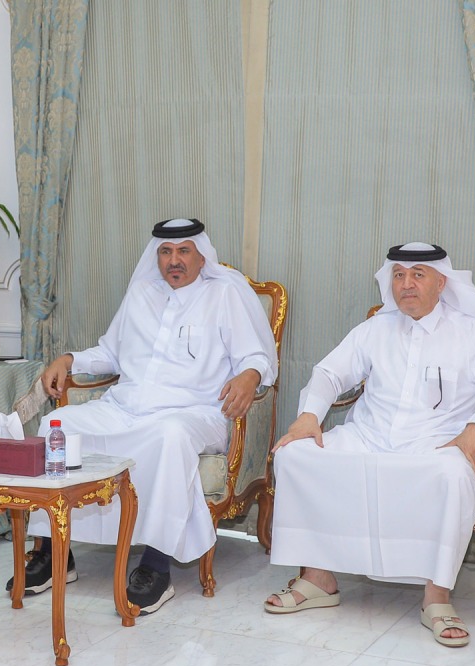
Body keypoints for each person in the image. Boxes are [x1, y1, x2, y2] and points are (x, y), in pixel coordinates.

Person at [264, 243, 475, 647]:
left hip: (434, 447)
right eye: (399, 275)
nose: (406, 284)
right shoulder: (376, 328)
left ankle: (436, 597)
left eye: (418, 275)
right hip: (369, 437)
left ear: (441, 283)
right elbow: (328, 373)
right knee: (294, 454)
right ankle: (318, 578)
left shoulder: (474, 333)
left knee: (452, 473)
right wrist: (309, 415)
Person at [14, 219, 278, 614]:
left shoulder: (224, 295)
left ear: (200, 254)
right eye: (166, 252)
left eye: (183, 251)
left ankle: (155, 565)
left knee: (169, 437)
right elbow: (110, 353)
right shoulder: (141, 292)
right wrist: (69, 359)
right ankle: (54, 554)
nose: (174, 261)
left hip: (193, 413)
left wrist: (250, 374)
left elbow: (258, 356)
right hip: (126, 408)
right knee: (63, 426)